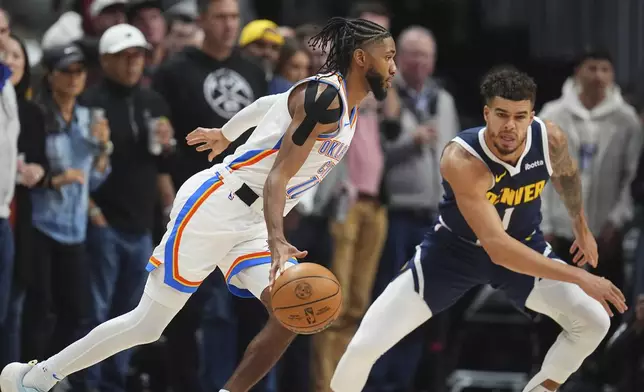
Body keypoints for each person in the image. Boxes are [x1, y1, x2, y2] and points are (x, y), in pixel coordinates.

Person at [0, 16, 396, 392]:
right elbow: (278, 176)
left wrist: (226, 133)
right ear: (361, 58)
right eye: (389, 56)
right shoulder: (325, 99)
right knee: (147, 325)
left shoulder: (343, 102)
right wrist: (277, 238)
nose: (392, 67)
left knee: (292, 311)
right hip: (217, 206)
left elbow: (271, 104)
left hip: (254, 222)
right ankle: (37, 377)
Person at [330, 68, 628, 392]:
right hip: (453, 255)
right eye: (501, 115)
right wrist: (580, 276)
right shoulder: (462, 158)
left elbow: (567, 176)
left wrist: (581, 227)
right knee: (363, 346)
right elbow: (497, 247)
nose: (510, 126)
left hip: (525, 247)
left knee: (594, 322)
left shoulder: (550, 137)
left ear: (532, 116)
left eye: (520, 116)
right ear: (487, 113)